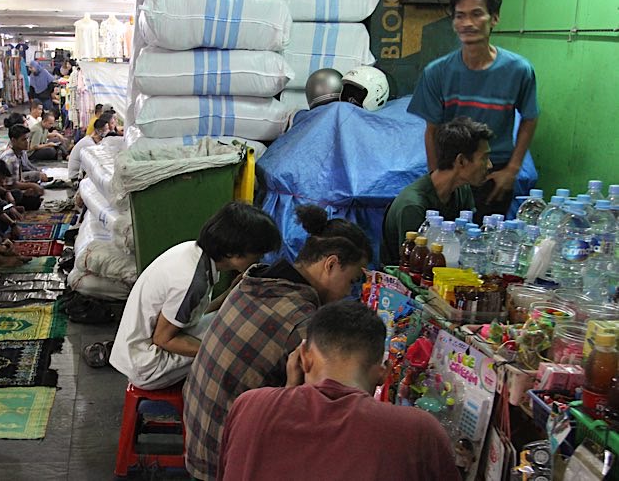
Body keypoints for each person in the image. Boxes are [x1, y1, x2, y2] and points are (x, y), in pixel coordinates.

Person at [183, 206, 372, 480]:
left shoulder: (258, 279)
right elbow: (328, 403)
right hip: (222, 460)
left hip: (197, 435)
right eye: (352, 281)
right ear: (330, 264)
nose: (348, 293)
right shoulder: (300, 321)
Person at [217, 301, 460, 481]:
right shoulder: (418, 431)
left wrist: (290, 388)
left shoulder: (250, 404)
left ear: (303, 358)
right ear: (384, 373)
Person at [109, 202, 282, 391]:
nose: (259, 259)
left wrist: (229, 293)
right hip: (148, 365)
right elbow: (163, 339)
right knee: (237, 339)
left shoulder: (192, 252)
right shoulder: (191, 281)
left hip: (140, 349)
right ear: (232, 252)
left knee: (228, 323)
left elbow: (189, 316)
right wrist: (218, 354)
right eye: (257, 253)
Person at [408, 0, 538, 219]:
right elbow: (432, 131)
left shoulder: (519, 70)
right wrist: (437, 180)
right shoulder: (437, 72)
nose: (467, 23)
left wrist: (512, 169)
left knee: (488, 243)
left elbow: (530, 118)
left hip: (492, 173)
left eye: (477, 14)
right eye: (460, 15)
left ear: (495, 18)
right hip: (453, 173)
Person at [381, 116, 493, 265]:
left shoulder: (462, 190)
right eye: (484, 158)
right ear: (461, 161)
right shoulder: (413, 205)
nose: (490, 165)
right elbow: (414, 267)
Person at [69, 117, 108, 182]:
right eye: (107, 129)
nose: (108, 131)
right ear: (100, 131)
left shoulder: (90, 140)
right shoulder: (89, 144)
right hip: (76, 178)